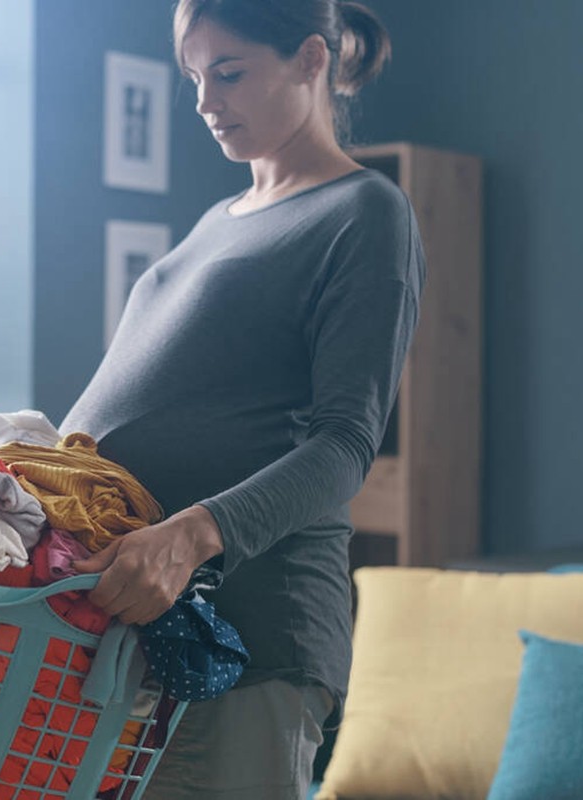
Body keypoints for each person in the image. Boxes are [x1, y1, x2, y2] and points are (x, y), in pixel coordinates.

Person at [62, 1, 422, 797]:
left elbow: (343, 445)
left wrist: (190, 537)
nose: (204, 101)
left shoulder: (363, 212)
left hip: (252, 632)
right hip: (140, 630)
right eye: (194, 76)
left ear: (311, 61)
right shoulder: (215, 221)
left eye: (229, 73)